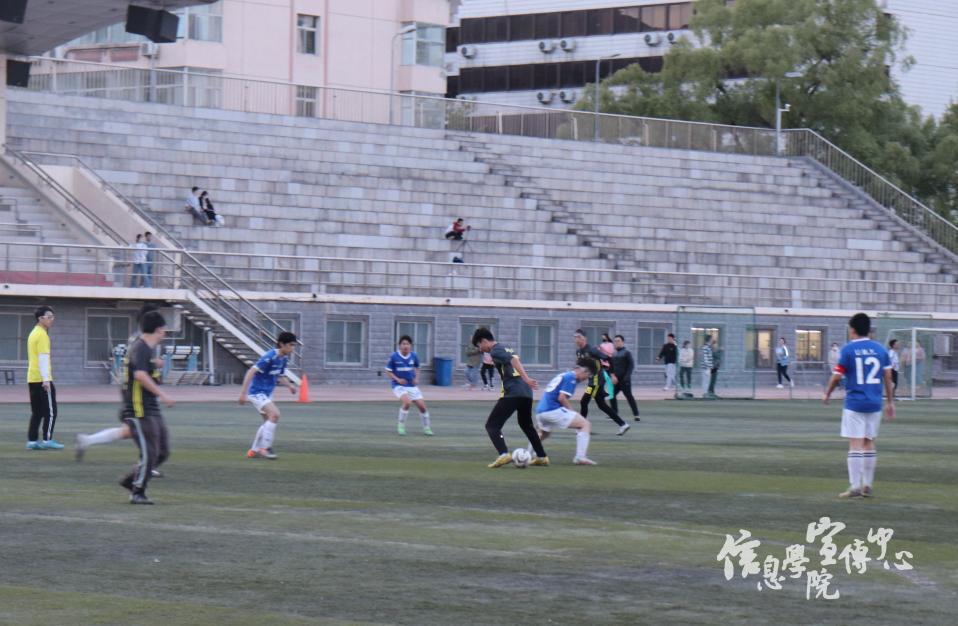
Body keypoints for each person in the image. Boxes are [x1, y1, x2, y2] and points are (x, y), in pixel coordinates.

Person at [75, 303, 167, 477]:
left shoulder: (140, 339)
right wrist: (156, 368)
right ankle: (144, 466)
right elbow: (138, 368)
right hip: (135, 394)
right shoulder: (141, 341)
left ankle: (87, 440)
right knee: (144, 430)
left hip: (132, 391)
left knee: (133, 431)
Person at [823, 312, 894, 498]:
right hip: (875, 403)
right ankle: (867, 484)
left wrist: (827, 393)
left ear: (852, 330)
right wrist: (890, 401)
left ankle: (855, 486)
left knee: (855, 444)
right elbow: (888, 377)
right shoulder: (880, 350)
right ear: (869, 330)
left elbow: (836, 377)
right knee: (869, 442)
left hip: (855, 403)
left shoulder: (847, 350)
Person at [118, 311, 175, 504]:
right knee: (150, 452)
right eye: (164, 329)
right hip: (139, 408)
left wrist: (156, 366)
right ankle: (137, 492)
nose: (164, 333)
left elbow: (147, 373)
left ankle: (131, 480)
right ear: (158, 329)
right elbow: (140, 376)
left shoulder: (147, 350)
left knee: (162, 451)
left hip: (151, 407)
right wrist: (163, 395)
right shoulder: (140, 348)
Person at [471, 327, 548, 468]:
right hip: (526, 393)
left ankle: (503, 454)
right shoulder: (506, 347)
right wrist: (526, 382)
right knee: (526, 425)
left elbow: (513, 361)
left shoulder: (495, 350)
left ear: (484, 341)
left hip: (514, 392)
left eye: (479, 345)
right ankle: (542, 457)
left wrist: (526, 378)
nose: (480, 349)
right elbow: (514, 360)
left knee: (492, 425)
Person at [239, 332, 299, 459]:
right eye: (291, 345)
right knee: (275, 414)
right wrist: (243, 393)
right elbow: (251, 371)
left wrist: (290, 386)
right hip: (257, 392)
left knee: (268, 422)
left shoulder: (283, 358)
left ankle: (254, 450)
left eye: (294, 345)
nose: (293, 348)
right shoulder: (270, 356)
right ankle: (264, 448)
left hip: (267, 394)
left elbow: (280, 375)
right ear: (282, 344)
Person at [534, 358, 599, 465]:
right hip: (552, 410)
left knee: (544, 433)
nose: (586, 379)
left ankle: (528, 454)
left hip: (541, 411)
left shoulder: (565, 375)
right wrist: (573, 412)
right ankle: (580, 457)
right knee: (585, 424)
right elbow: (562, 398)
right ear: (584, 371)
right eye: (588, 375)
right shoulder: (571, 378)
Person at [574, 329, 630, 435]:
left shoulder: (592, 350)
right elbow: (582, 367)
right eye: (575, 337)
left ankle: (582, 427)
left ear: (584, 338)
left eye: (579, 337)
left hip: (596, 380)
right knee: (601, 405)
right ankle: (623, 424)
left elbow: (609, 359)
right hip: (592, 381)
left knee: (584, 401)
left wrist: (612, 374)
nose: (577, 340)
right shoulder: (579, 352)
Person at [26, 305, 63, 450]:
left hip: (32, 378)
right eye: (49, 317)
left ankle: (32, 441)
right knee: (51, 411)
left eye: (53, 317)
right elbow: (43, 358)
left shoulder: (33, 333)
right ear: (40, 318)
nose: (52, 319)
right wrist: (46, 379)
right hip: (42, 380)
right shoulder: (42, 335)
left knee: (37, 412)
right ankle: (48, 440)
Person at [385, 335, 433, 436]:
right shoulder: (394, 356)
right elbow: (388, 371)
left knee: (422, 407)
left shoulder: (414, 355)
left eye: (407, 344)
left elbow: (417, 368)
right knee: (407, 402)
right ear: (399, 345)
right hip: (398, 386)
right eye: (403, 344)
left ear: (410, 345)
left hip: (411, 386)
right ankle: (401, 426)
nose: (406, 346)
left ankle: (427, 428)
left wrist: (417, 378)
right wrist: (398, 379)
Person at [610, 334, 640, 422]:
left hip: (624, 380)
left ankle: (636, 414)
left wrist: (627, 377)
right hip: (616, 380)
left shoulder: (627, 353)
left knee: (629, 396)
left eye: (618, 341)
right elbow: (611, 367)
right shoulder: (614, 354)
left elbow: (631, 365)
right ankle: (614, 413)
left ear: (622, 342)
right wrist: (612, 376)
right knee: (611, 395)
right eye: (615, 341)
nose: (616, 342)